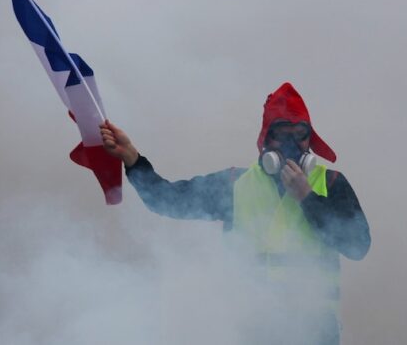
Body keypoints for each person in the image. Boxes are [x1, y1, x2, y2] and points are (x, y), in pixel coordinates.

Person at [99, 82, 370, 344]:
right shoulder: (234, 185)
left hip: (315, 335)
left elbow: (358, 246)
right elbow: (166, 199)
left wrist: (307, 197)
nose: (292, 144)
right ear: (266, 140)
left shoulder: (331, 183)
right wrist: (132, 159)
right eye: (282, 134)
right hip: (254, 333)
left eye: (300, 134)